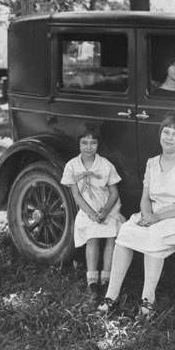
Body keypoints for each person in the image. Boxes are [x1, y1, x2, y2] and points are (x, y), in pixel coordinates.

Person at [98, 111, 175, 319]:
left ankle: (147, 301)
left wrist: (157, 219)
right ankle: (111, 296)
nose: (169, 138)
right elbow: (145, 197)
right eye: (166, 132)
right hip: (152, 213)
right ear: (160, 134)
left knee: (153, 238)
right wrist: (146, 215)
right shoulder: (152, 162)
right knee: (126, 231)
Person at [60, 122, 124, 299]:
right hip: (88, 210)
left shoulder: (105, 165)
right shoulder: (72, 166)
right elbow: (77, 195)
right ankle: (92, 279)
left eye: (93, 143)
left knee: (112, 236)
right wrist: (92, 214)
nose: (89, 147)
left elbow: (113, 192)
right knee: (92, 237)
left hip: (108, 209)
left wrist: (104, 211)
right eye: (84, 143)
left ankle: (107, 276)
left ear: (98, 144)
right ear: (78, 144)